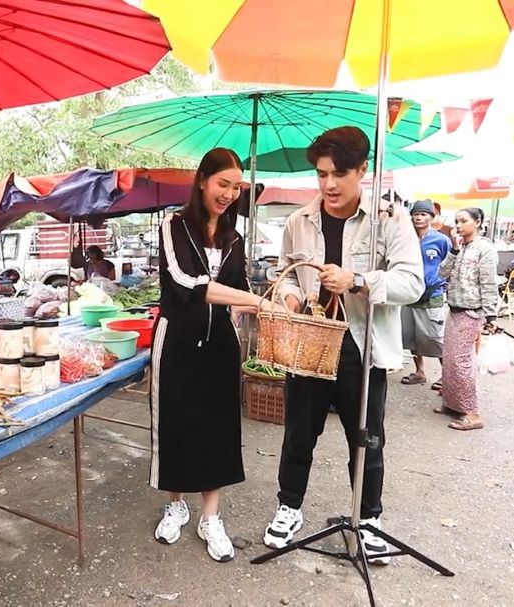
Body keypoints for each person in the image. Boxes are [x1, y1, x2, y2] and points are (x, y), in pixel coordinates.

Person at [261, 127, 423, 565]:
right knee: (299, 431)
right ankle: (289, 507)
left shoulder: (389, 218)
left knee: (366, 437)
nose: (329, 184)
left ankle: (368, 519)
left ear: (362, 170)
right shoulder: (299, 221)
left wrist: (359, 280)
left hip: (362, 346)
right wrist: (290, 295)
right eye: (321, 174)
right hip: (310, 342)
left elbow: (412, 282)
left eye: (339, 174)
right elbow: (285, 273)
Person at [150, 147, 278, 562]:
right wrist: (254, 301)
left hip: (221, 341)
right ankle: (176, 504)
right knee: (176, 421)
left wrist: (266, 303)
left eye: (236, 187)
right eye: (223, 184)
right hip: (178, 338)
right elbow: (186, 282)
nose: (229, 194)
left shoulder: (234, 237)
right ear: (203, 180)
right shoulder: (173, 225)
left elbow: (238, 288)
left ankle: (211, 516)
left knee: (219, 426)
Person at [436, 208, 499, 431]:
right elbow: (441, 274)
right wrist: (453, 250)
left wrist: (491, 314)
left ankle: (472, 414)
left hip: (471, 311)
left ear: (478, 222)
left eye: (463, 221)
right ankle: (452, 404)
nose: (458, 225)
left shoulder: (485, 249)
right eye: (456, 221)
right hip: (454, 309)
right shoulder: (460, 247)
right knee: (450, 359)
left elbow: (489, 283)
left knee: (461, 362)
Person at [400, 200, 452, 390]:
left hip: (432, 294)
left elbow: (450, 263)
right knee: (412, 335)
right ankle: (420, 371)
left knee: (435, 337)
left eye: (423, 214)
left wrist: (443, 283)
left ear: (431, 217)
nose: (419, 218)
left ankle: (447, 376)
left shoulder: (441, 240)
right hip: (409, 292)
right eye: (416, 214)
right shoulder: (405, 239)